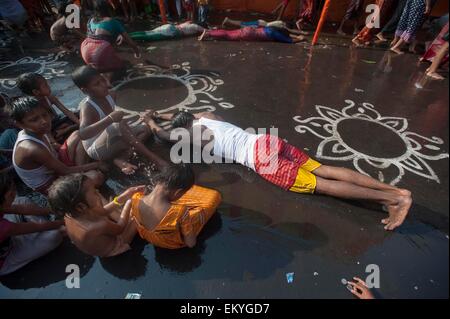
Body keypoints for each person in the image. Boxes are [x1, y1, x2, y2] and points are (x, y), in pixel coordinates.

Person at [144, 110, 412, 231]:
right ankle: (396, 192)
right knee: (325, 169)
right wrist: (163, 114)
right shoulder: (207, 116)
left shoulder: (191, 135)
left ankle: (392, 199)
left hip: (259, 158)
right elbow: (183, 114)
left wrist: (149, 120)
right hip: (266, 140)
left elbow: (163, 135)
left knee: (323, 186)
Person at [72, 65, 167, 175]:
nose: (103, 85)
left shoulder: (111, 95)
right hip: (96, 148)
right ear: (85, 90)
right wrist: (110, 119)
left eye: (102, 80)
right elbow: (83, 134)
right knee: (119, 125)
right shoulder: (88, 107)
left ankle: (121, 158)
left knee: (146, 129)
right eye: (97, 84)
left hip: (111, 138)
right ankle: (156, 160)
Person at [8, 97, 105, 194]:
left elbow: (53, 147)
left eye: (45, 115)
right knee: (96, 177)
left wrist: (64, 148)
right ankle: (81, 179)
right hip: (51, 185)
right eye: (34, 119)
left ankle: (80, 174)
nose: (44, 121)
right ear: (20, 124)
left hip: (56, 167)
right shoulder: (32, 148)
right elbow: (65, 171)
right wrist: (97, 164)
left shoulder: (35, 130)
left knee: (77, 134)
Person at [48, 174, 141, 257]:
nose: (97, 191)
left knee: (99, 203)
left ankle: (120, 213)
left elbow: (103, 211)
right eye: (93, 192)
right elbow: (120, 227)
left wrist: (124, 196)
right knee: (138, 217)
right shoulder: (97, 226)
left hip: (99, 238)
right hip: (114, 246)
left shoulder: (71, 213)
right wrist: (129, 203)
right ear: (81, 206)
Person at [131, 164, 221, 249]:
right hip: (169, 243)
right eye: (183, 193)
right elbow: (191, 244)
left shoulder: (136, 198)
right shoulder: (179, 211)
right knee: (214, 196)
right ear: (178, 192)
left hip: (147, 237)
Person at [0, 171, 63, 276]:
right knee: (55, 236)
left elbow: (19, 208)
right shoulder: (3, 227)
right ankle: (40, 236)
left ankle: (36, 236)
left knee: (21, 201)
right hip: (5, 259)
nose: (14, 193)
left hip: (11, 234)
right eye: (11, 194)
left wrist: (53, 210)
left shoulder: (3, 205)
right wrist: (64, 221)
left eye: (14, 189)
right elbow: (37, 227)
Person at [80, 0, 140, 82]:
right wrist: (137, 53)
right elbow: (131, 43)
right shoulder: (113, 22)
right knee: (123, 67)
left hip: (85, 49)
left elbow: (97, 37)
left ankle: (98, 70)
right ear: (108, 8)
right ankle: (107, 80)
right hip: (100, 50)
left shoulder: (90, 20)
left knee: (101, 63)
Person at [17, 73, 80, 142]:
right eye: (45, 85)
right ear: (36, 92)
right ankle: (64, 130)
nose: (49, 86)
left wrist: (79, 123)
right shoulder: (36, 106)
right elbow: (44, 127)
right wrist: (53, 142)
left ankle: (64, 129)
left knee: (78, 114)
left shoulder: (49, 97)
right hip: (47, 128)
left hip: (57, 121)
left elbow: (66, 111)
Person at [198, 26, 305, 43]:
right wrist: (300, 39)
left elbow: (286, 35)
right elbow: (289, 40)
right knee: (228, 36)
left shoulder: (272, 29)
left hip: (250, 30)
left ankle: (210, 32)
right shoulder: (274, 34)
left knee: (228, 32)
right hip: (249, 34)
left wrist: (295, 36)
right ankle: (208, 34)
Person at [129, 21, 204, 41]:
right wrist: (201, 36)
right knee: (149, 36)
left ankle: (127, 34)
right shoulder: (196, 26)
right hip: (172, 32)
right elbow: (206, 31)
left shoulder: (188, 22)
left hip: (170, 26)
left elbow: (181, 25)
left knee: (148, 32)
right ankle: (128, 38)